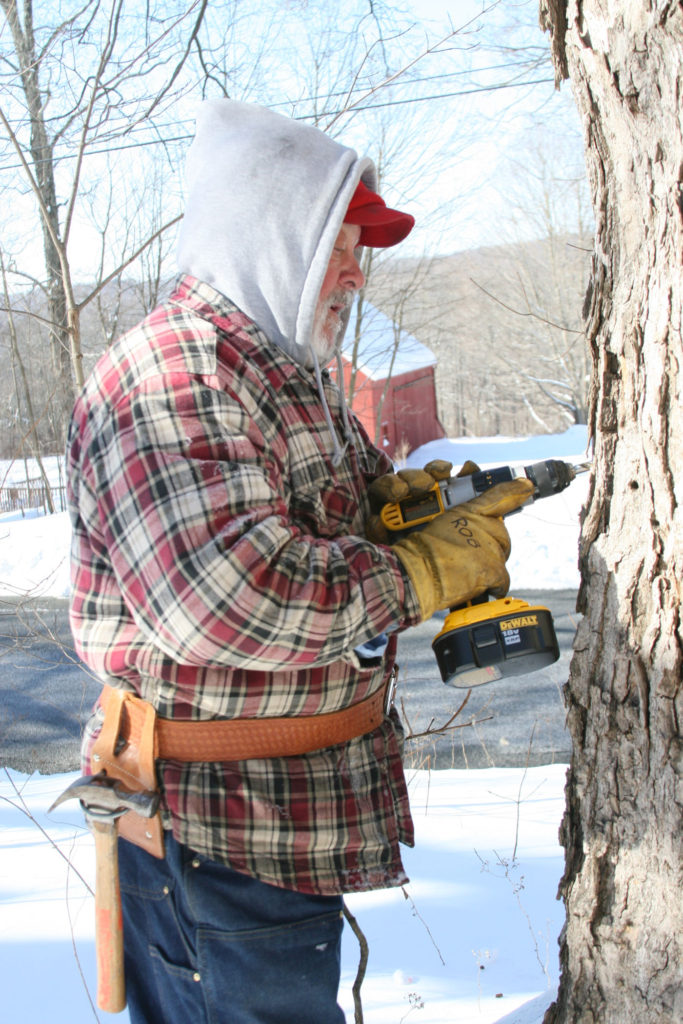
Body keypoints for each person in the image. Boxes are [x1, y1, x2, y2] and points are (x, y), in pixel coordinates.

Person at [67, 100, 533, 1024]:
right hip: (215, 832)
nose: (358, 274)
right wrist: (420, 574)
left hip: (275, 826)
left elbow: (349, 508)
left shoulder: (281, 369)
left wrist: (416, 505)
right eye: (343, 243)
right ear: (269, 234)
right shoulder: (172, 375)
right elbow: (225, 600)